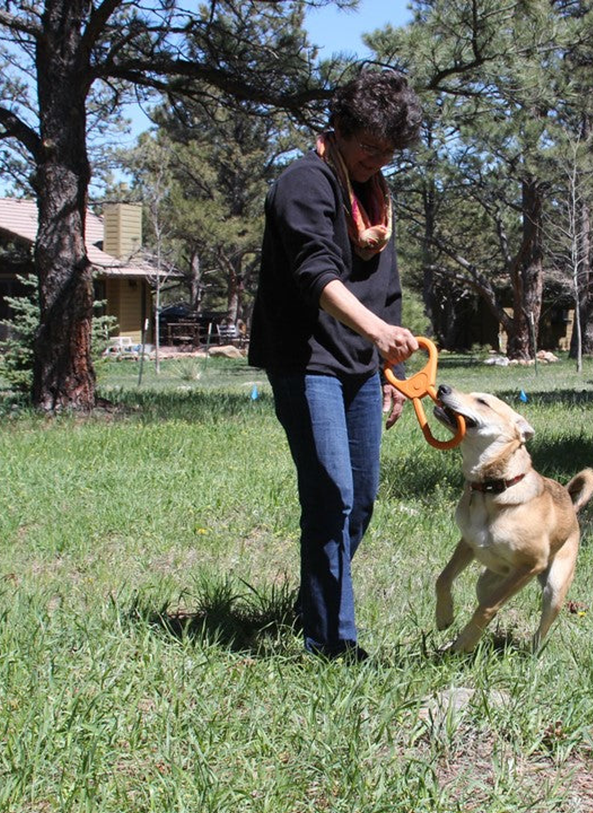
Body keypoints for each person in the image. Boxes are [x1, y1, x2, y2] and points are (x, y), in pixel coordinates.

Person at [247, 69, 423, 661]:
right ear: (341, 128)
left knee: (362, 500)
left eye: (388, 151)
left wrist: (387, 368)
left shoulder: (374, 199)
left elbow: (385, 291)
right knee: (331, 495)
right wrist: (377, 332)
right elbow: (314, 273)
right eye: (368, 146)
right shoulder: (306, 181)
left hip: (359, 366)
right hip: (306, 359)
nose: (378, 159)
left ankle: (315, 601)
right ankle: (332, 644)